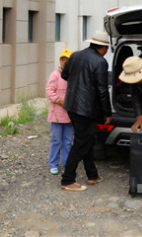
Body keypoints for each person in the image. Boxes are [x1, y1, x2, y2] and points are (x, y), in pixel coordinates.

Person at [60, 30, 112, 192]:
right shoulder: (100, 62)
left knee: (87, 139)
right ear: (103, 47)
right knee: (81, 143)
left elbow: (64, 75)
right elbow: (102, 90)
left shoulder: (75, 56)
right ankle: (68, 179)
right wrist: (107, 113)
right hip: (86, 110)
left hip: (71, 106)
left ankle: (92, 175)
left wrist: (78, 83)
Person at [46, 48, 74, 175]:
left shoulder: (74, 75)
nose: (64, 62)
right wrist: (60, 101)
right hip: (57, 115)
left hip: (69, 115)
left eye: (67, 60)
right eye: (62, 59)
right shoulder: (55, 75)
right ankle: (53, 164)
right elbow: (49, 91)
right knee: (56, 140)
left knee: (68, 142)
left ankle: (66, 164)